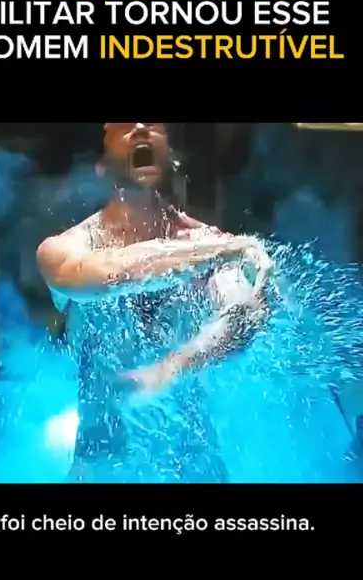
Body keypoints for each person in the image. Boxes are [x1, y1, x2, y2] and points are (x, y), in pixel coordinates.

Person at [37, 123, 272, 482]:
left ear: (172, 156)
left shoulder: (211, 244)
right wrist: (223, 251)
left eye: (154, 124)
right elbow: (102, 276)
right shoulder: (65, 249)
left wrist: (171, 368)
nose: (140, 128)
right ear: (100, 164)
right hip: (102, 467)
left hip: (194, 467)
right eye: (124, 124)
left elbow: (246, 315)